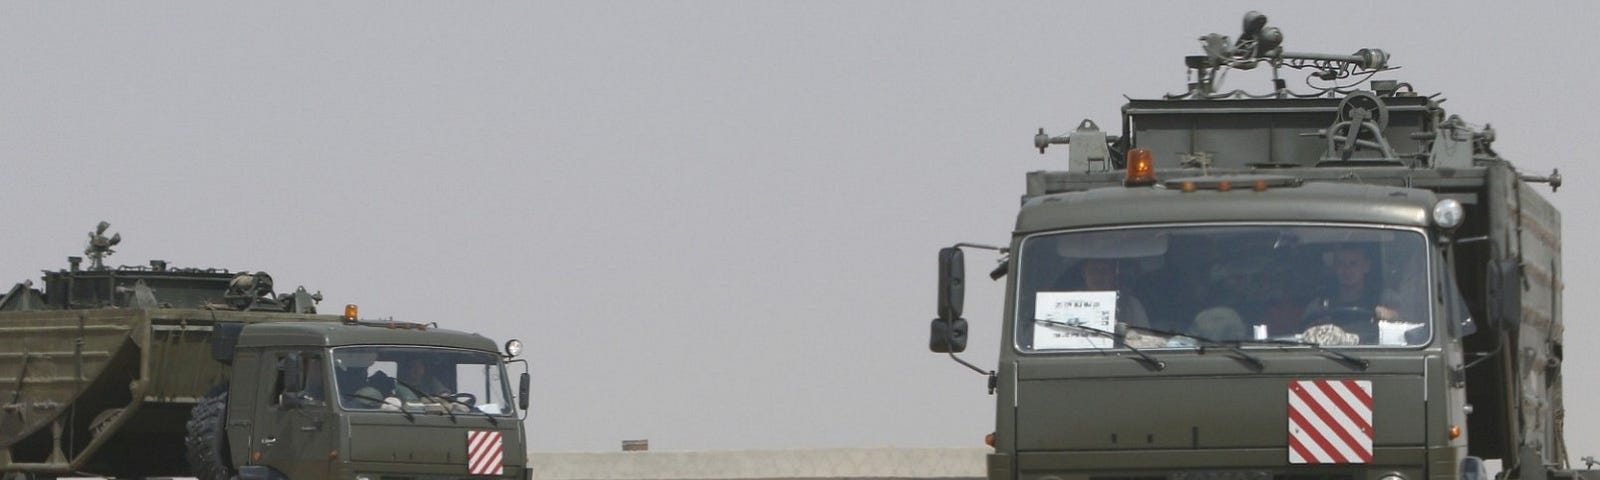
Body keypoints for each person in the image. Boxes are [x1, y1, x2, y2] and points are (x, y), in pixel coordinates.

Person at [1301, 247, 1402, 344]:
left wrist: (1392, 316)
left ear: (1366, 266)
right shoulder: (1319, 305)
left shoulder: (1385, 299)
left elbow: (1409, 330)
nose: (1347, 270)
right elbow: (1304, 338)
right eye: (1341, 264)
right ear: (1334, 268)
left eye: (1353, 264)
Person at [1078, 259, 1150, 329]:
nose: (1098, 276)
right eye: (1093, 271)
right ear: (1084, 274)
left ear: (1113, 274)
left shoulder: (1131, 304)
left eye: (1104, 271)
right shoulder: (1073, 301)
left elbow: (1144, 337)